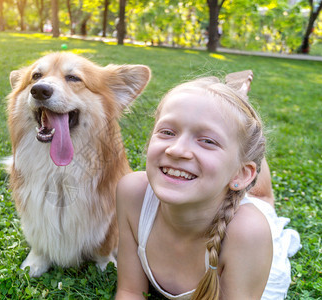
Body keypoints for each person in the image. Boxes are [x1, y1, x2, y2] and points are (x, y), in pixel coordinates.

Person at [115, 73, 301, 300]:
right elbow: (130, 291)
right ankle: (231, 102)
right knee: (230, 134)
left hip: (241, 219)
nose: (176, 150)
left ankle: (237, 100)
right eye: (167, 132)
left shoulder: (248, 232)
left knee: (263, 200)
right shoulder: (131, 192)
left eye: (208, 141)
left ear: (242, 175)